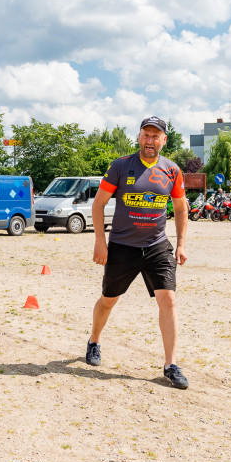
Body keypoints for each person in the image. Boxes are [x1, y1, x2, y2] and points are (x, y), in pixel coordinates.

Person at [86, 116, 190, 389]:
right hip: (122, 246)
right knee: (108, 300)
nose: (150, 140)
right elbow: (98, 205)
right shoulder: (121, 166)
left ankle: (171, 364)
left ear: (164, 140)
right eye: (146, 135)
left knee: (168, 301)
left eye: (156, 136)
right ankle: (94, 341)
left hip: (157, 246)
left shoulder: (172, 170)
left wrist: (180, 244)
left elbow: (180, 208)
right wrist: (100, 241)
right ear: (139, 137)